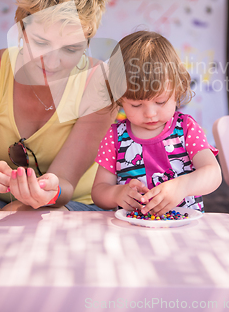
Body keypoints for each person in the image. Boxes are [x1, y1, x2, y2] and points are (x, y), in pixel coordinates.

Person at [0, 0, 115, 211]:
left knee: (22, 214)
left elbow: (64, 183)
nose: (52, 62)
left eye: (71, 49)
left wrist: (49, 191)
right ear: (21, 30)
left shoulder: (100, 83)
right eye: (41, 43)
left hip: (75, 204)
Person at [91, 31, 222, 215]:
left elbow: (213, 174)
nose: (150, 114)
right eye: (136, 104)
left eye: (160, 102)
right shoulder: (115, 137)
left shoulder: (186, 129)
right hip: (132, 230)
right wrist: (116, 193)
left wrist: (183, 186)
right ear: (119, 98)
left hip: (184, 230)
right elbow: (99, 191)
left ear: (177, 91)